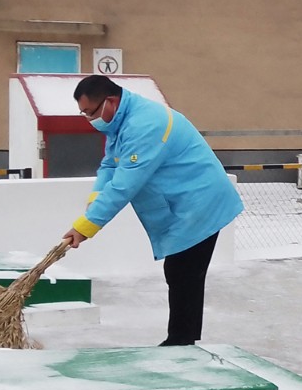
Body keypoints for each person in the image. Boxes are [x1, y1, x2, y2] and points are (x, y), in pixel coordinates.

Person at [62, 75, 243, 346]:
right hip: (183, 202)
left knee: (183, 271)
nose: (90, 120)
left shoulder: (144, 124)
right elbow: (110, 165)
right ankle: (183, 341)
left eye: (90, 112)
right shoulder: (121, 122)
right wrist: (94, 201)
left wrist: (86, 226)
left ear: (110, 102)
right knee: (182, 273)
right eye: (84, 114)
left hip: (199, 201)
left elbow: (124, 185)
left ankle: (181, 343)